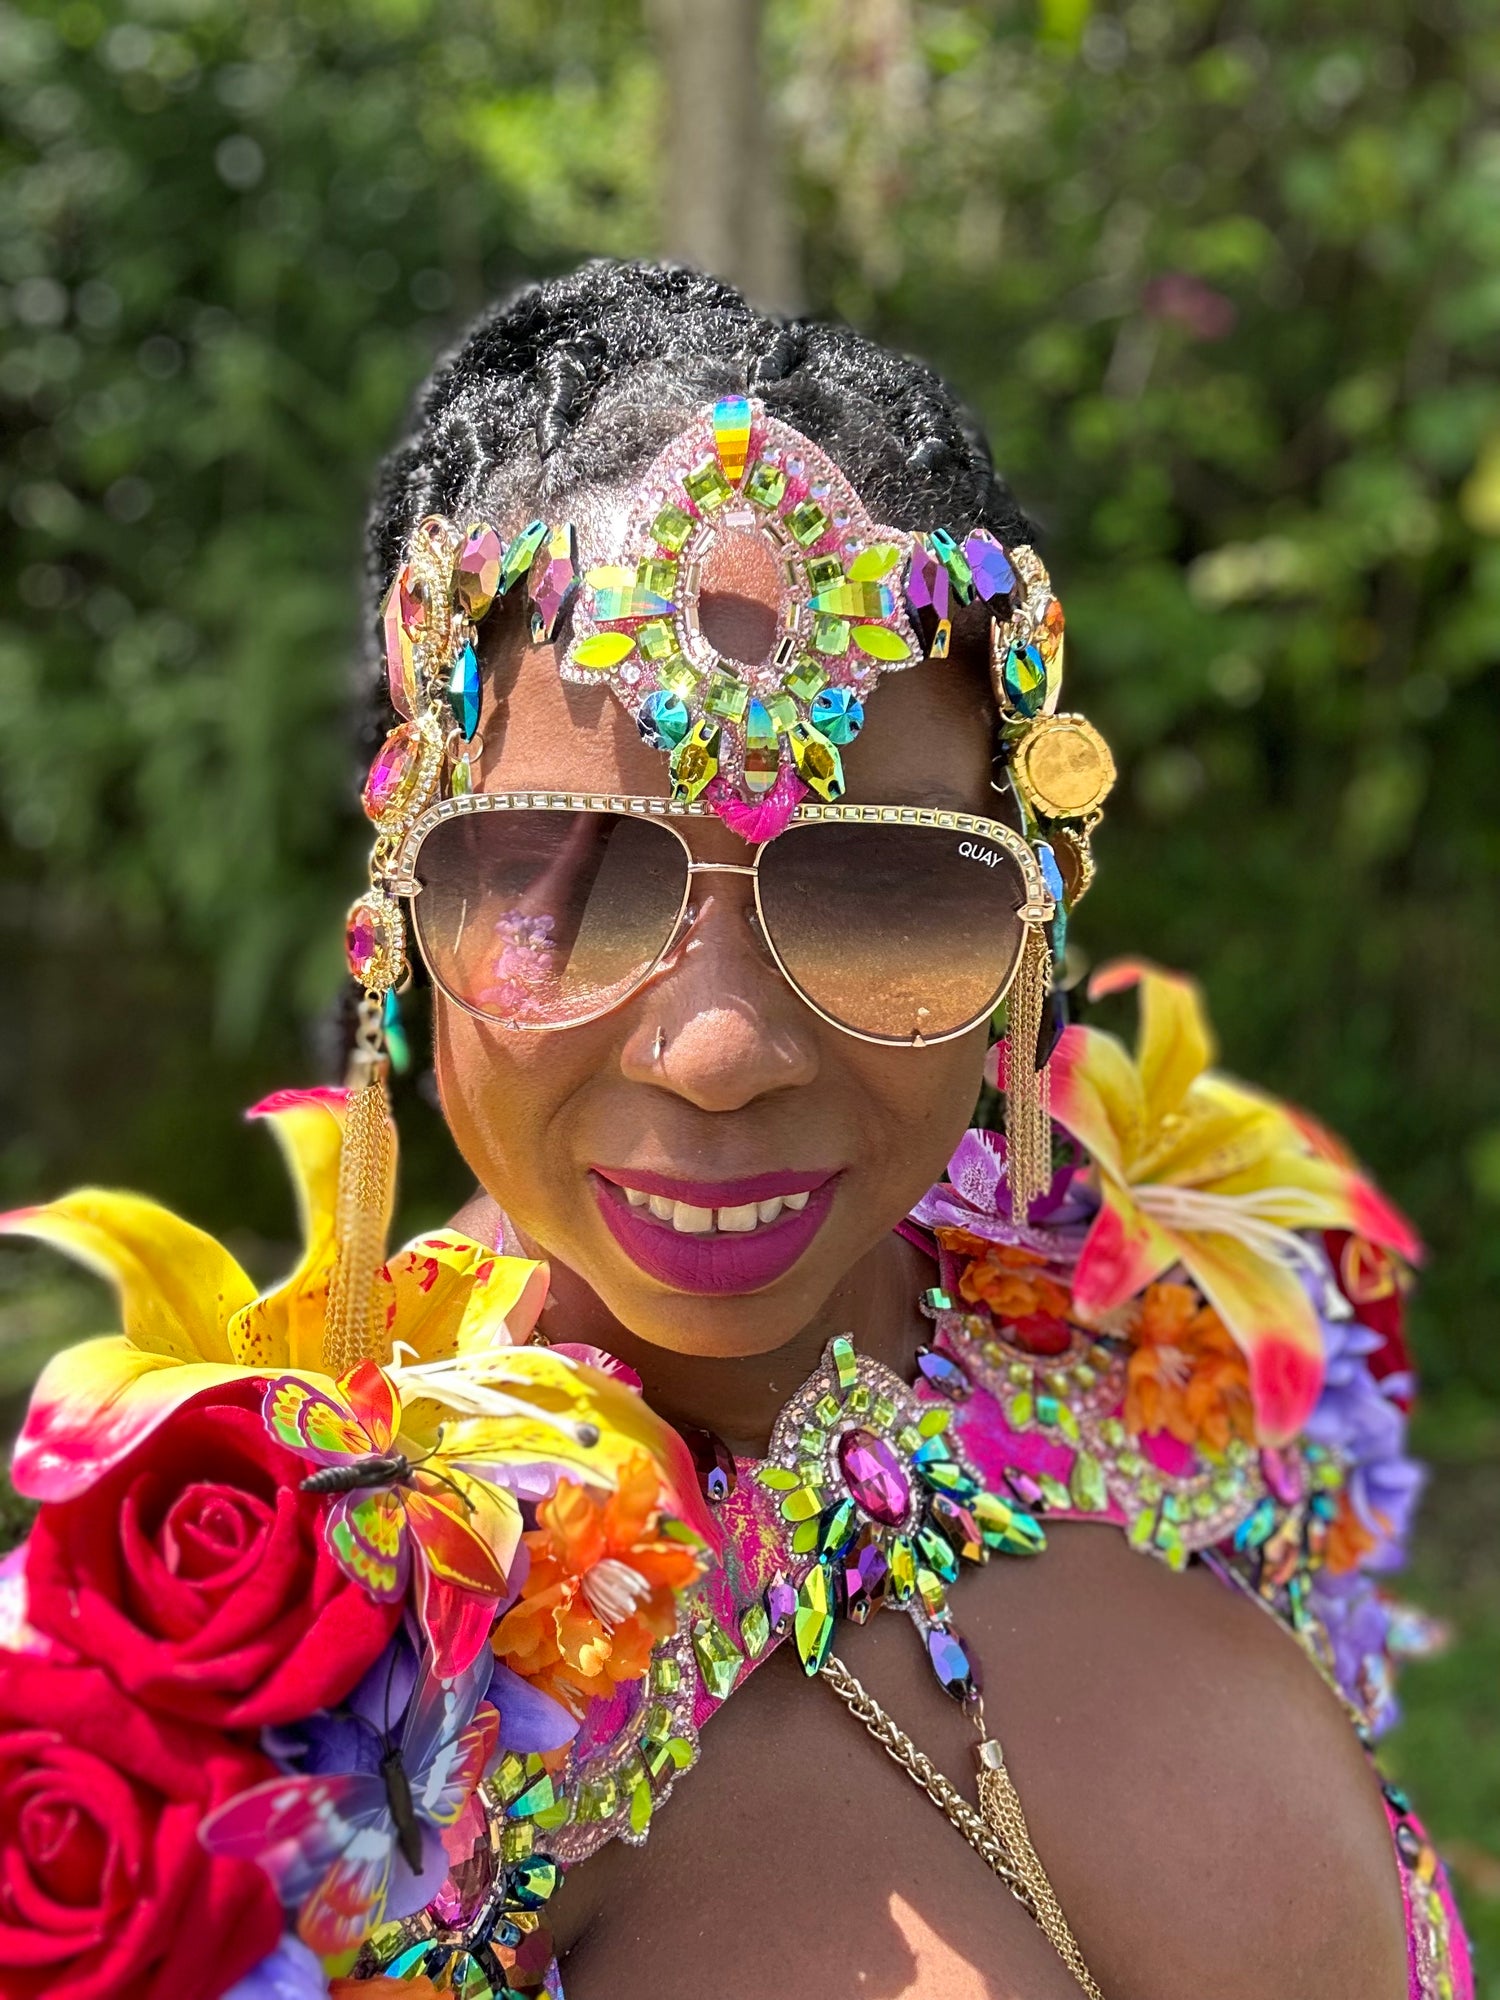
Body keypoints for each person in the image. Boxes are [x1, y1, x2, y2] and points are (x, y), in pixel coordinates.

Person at [0, 259, 1470, 2000]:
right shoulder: (199, 1679)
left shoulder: (1190, 1365)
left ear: (1030, 930)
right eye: (573, 873)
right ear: (400, 901)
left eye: (873, 885)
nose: (717, 1050)